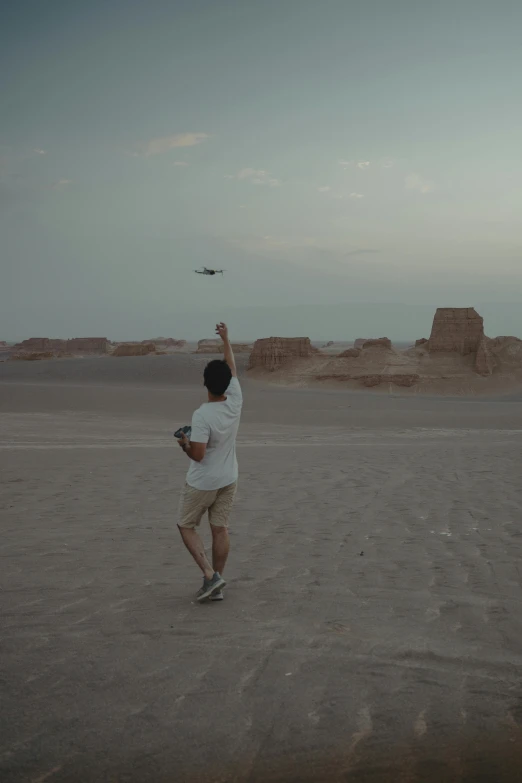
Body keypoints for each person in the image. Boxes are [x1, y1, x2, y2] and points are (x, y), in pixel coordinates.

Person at [177, 322, 242, 602]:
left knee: (185, 524)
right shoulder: (236, 399)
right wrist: (227, 340)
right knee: (220, 528)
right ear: (227, 383)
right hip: (229, 477)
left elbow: (199, 455)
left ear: (205, 384)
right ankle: (216, 584)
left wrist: (184, 446)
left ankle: (209, 575)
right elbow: (232, 368)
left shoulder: (202, 415)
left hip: (204, 481)